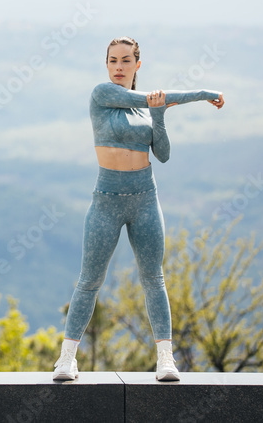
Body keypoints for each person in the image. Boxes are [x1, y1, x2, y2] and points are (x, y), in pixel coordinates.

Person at [52, 36, 224, 382]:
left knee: (153, 278)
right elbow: (149, 97)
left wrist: (158, 115)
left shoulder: (145, 107)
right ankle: (66, 360)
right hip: (106, 200)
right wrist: (204, 94)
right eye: (113, 60)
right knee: (90, 280)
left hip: (145, 197)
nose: (118, 67)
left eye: (125, 61)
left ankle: (166, 359)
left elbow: (162, 154)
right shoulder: (103, 94)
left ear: (137, 65)